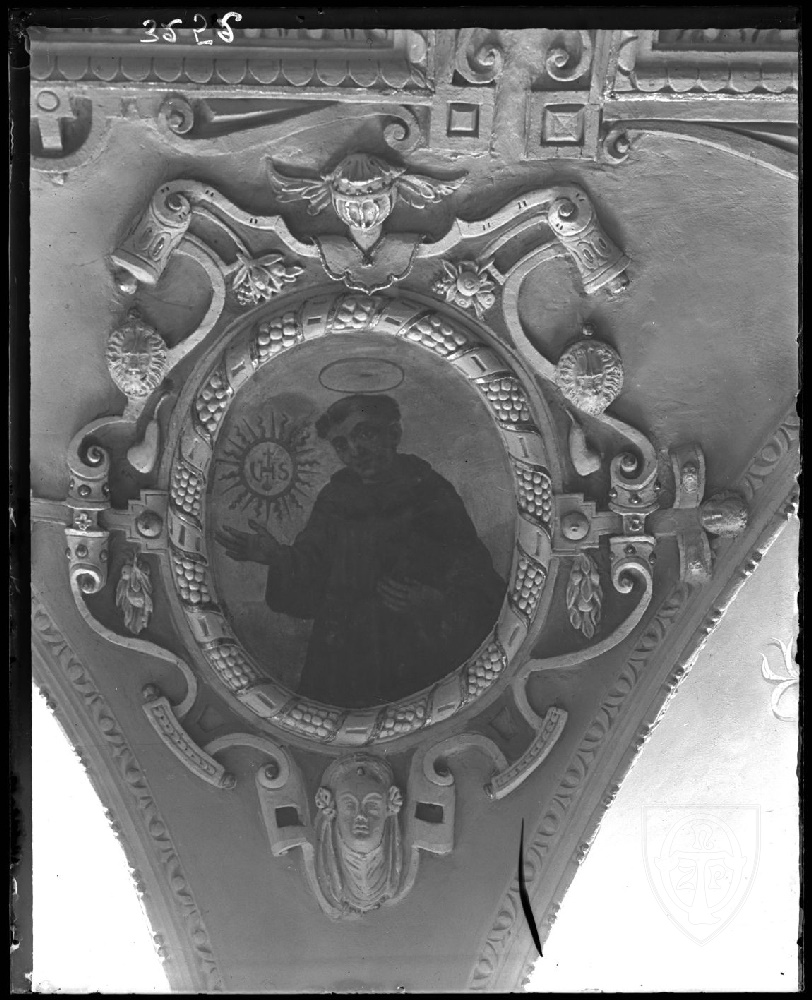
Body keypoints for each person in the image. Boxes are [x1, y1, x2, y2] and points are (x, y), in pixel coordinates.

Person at [215, 394, 505, 708]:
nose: (355, 451)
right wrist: (277, 557)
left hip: (412, 654)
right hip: (341, 658)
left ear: (393, 434)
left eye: (365, 434)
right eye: (341, 445)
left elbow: (476, 581)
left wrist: (434, 602)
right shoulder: (335, 499)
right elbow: (312, 575)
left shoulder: (431, 495)